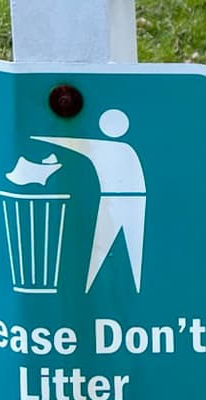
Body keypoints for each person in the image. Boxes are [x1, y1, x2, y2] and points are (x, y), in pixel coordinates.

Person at [35, 108, 146, 292]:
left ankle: (103, 288)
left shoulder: (114, 148)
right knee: (114, 249)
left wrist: (45, 139)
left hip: (119, 201)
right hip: (126, 200)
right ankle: (101, 287)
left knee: (111, 248)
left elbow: (80, 145)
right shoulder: (127, 150)